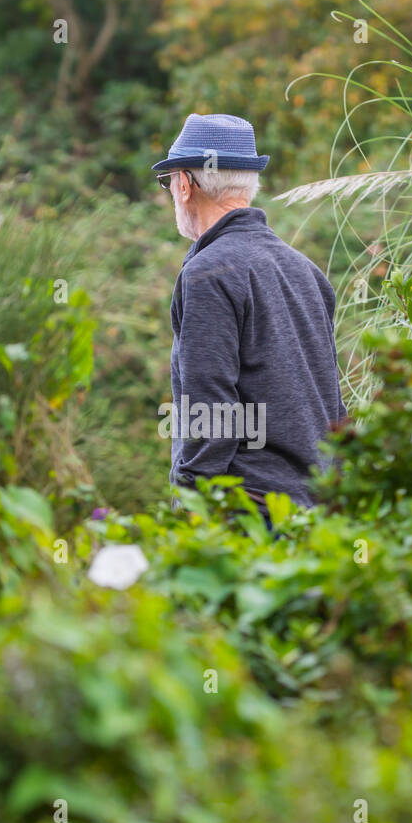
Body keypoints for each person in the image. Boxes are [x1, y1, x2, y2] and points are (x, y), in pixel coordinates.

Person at [153, 113, 346, 525]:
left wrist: (190, 507)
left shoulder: (207, 273)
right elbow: (331, 402)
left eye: (168, 182)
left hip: (248, 515)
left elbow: (212, 415)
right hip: (316, 510)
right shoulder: (307, 271)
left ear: (185, 185)